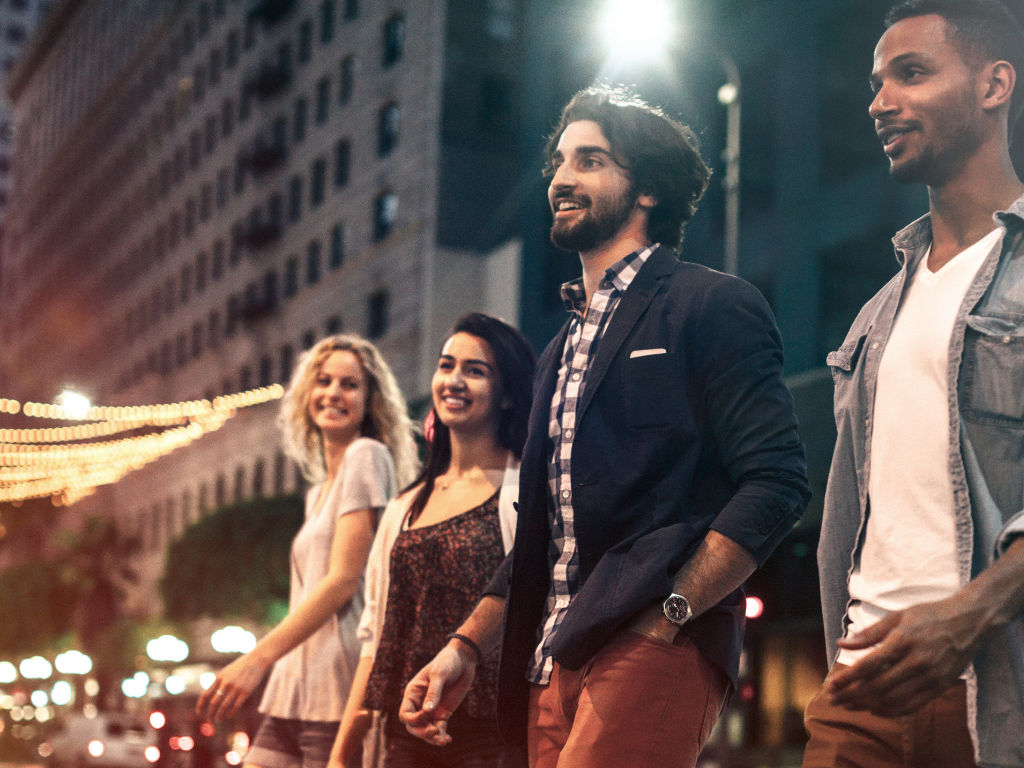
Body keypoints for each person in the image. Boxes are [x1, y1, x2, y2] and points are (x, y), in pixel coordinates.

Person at [398, 86, 810, 768]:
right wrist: (464, 647)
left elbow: (777, 481)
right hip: (546, 658)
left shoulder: (711, 305)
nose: (562, 178)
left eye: (590, 160)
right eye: (560, 161)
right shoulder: (560, 349)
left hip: (647, 643)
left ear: (646, 187)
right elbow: (542, 535)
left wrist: (671, 615)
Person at [802, 2, 1024, 766]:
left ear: (995, 84)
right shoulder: (876, 315)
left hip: (996, 694)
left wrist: (970, 613)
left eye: (912, 73)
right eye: (875, 82)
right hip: (860, 687)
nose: (878, 102)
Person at [195, 334, 418, 768]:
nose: (333, 392)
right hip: (291, 686)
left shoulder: (366, 456)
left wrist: (256, 658)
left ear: (370, 401)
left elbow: (343, 580)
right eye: (324, 380)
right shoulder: (317, 493)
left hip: (336, 687)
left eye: (349, 384)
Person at [326, 313, 536, 768]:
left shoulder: (526, 494)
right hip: (405, 736)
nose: (454, 380)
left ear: (508, 395)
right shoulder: (405, 507)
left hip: (496, 738)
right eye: (446, 366)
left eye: (475, 371)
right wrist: (342, 753)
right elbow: (377, 639)